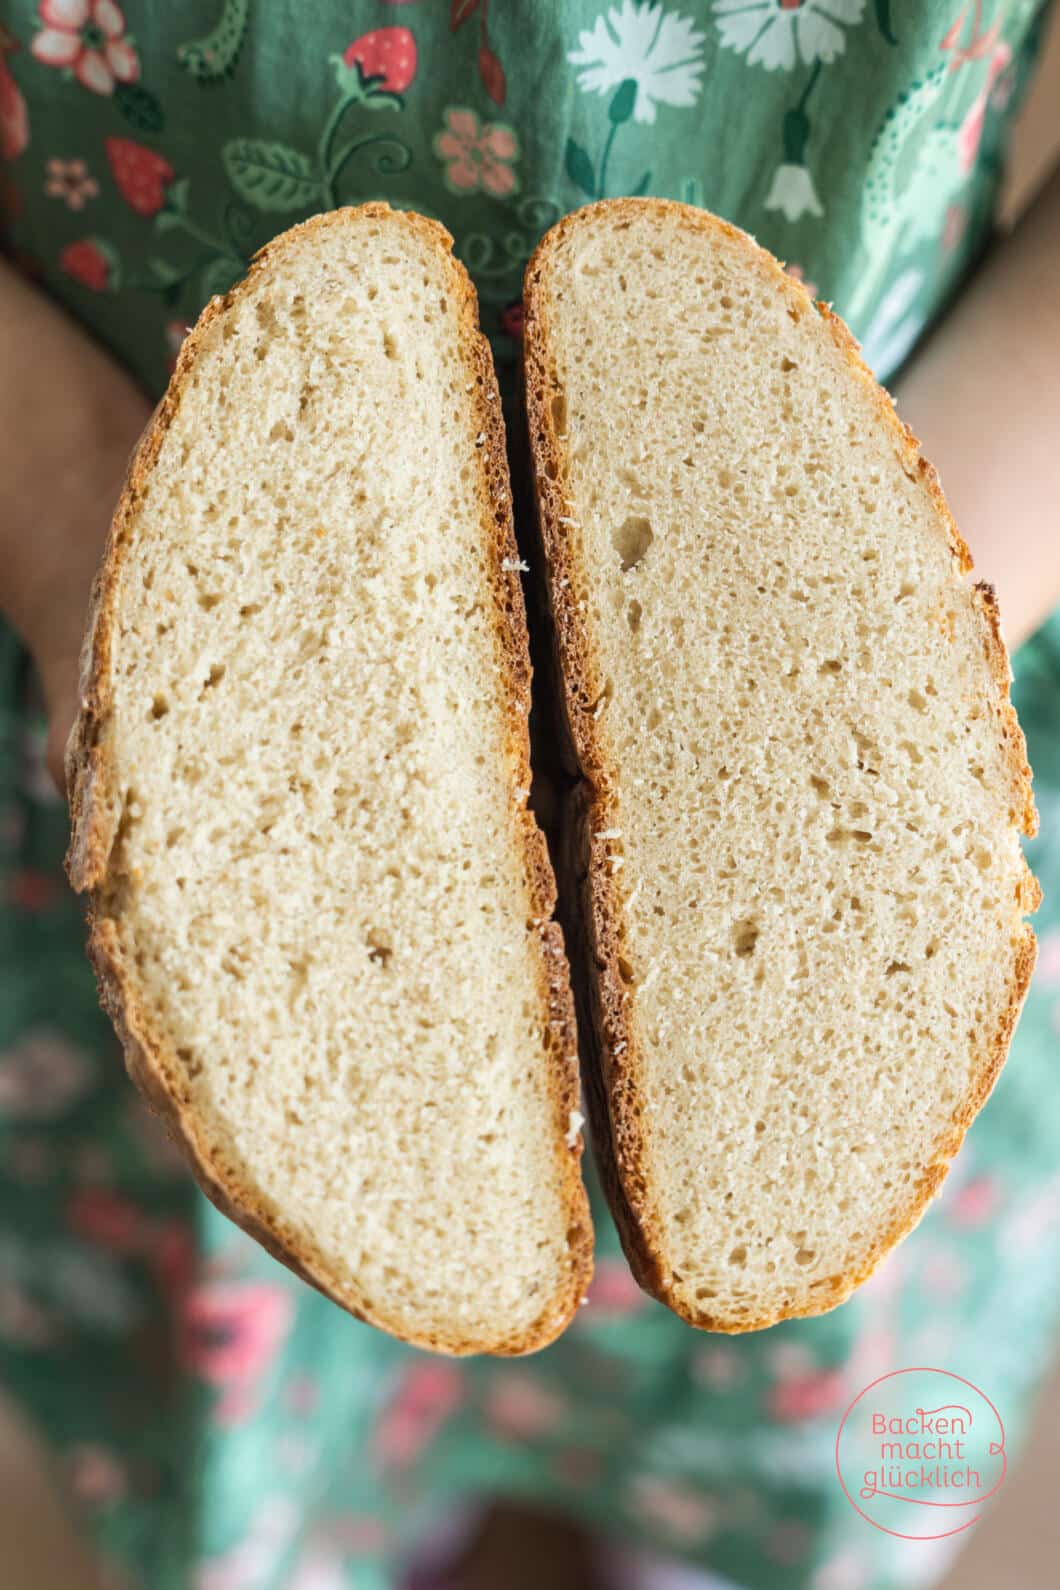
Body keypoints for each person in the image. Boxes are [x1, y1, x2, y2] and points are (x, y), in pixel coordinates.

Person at [2, 3, 1060, 1588]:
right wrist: (79, 517)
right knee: (295, 1310)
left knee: (771, 1326)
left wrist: (898, 618)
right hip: (132, 669)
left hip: (906, 618)